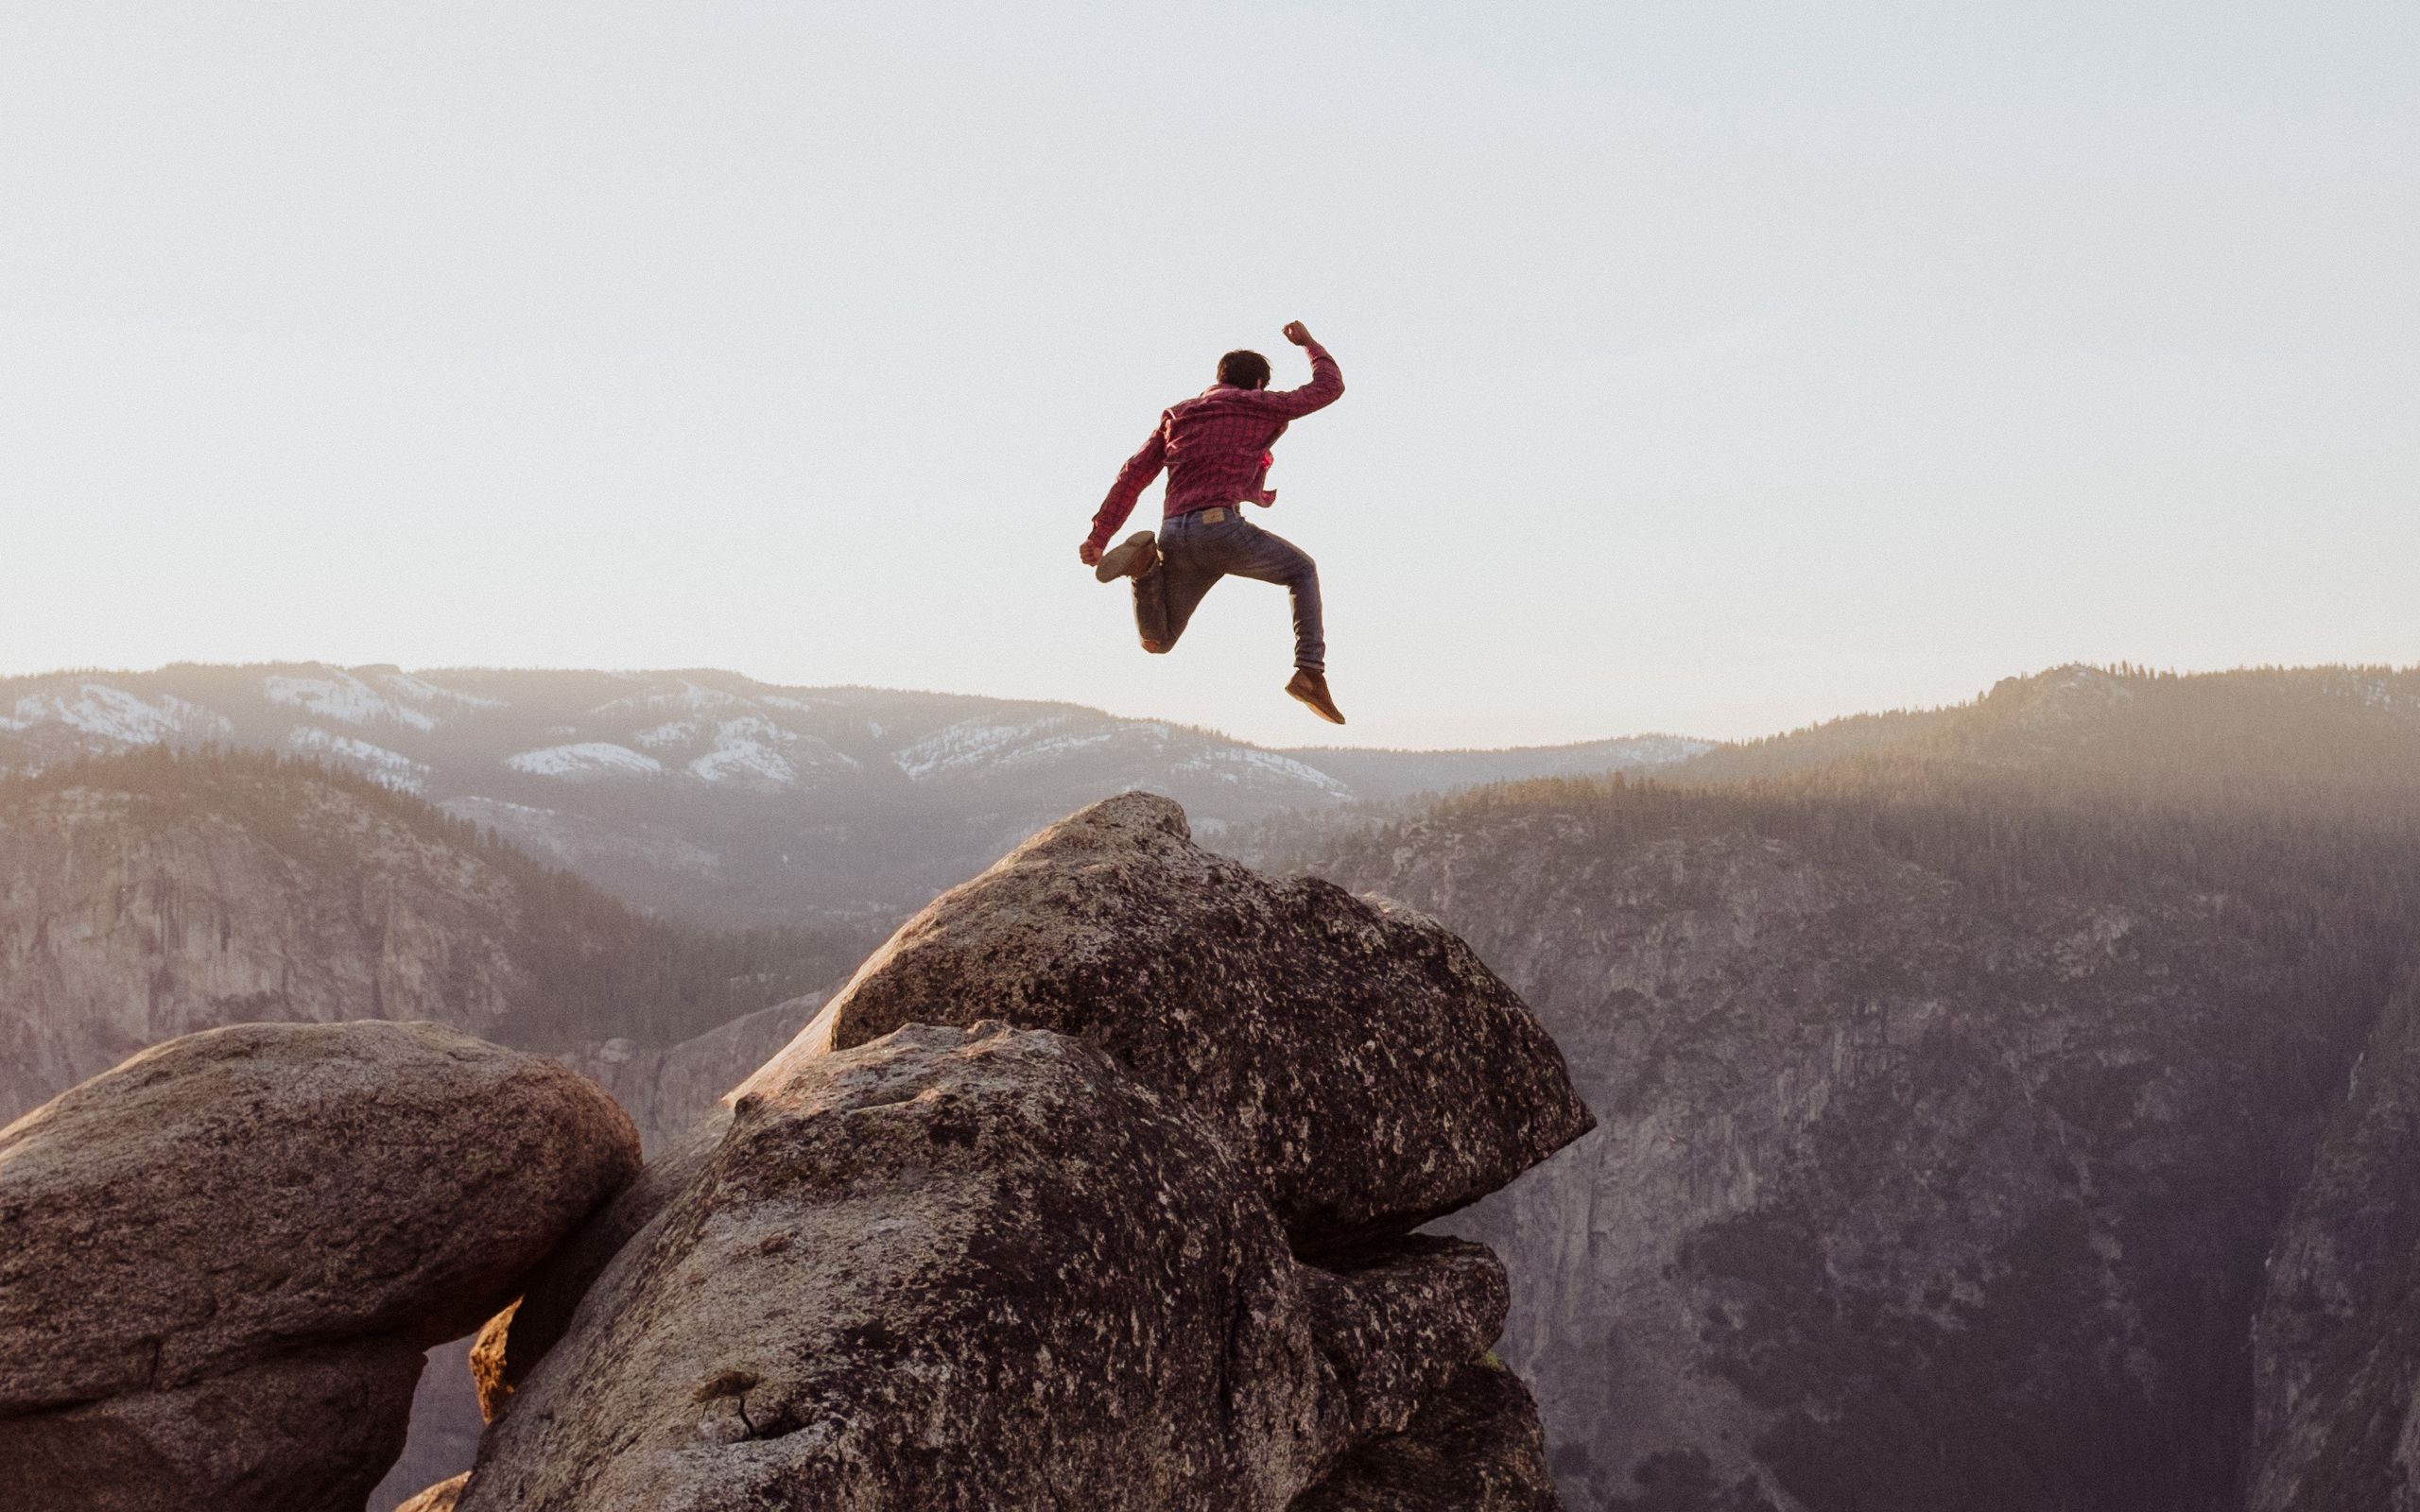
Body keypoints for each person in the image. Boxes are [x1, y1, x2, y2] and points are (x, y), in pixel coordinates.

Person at [1080, 320, 1347, 724]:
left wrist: (1099, 536)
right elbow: (1328, 388)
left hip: (1174, 532)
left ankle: (1146, 569)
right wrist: (1309, 344)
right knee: (1302, 571)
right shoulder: (1259, 404)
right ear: (1257, 383)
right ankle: (1310, 671)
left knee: (1159, 640)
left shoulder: (1178, 415)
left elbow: (1133, 474)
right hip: (1220, 528)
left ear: (1218, 378)